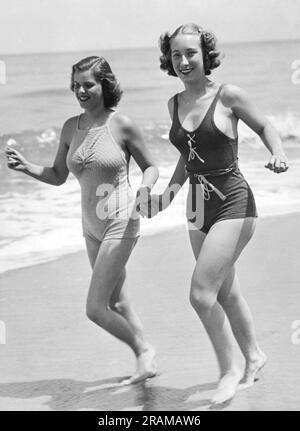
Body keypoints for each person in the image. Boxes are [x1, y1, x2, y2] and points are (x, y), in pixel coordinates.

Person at [140, 23, 289, 405]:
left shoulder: (228, 95)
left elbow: (265, 126)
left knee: (201, 294)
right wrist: (165, 199)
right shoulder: (173, 104)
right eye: (176, 54)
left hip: (233, 202)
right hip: (196, 207)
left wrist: (278, 152)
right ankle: (255, 355)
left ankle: (229, 372)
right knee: (225, 290)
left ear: (206, 55)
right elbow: (185, 160)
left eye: (190, 53)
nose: (184, 60)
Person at [5, 56, 159, 385]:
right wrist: (27, 166)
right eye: (76, 85)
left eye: (88, 83)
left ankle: (144, 349)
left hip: (121, 220)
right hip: (90, 227)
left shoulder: (122, 125)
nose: (81, 90)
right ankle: (145, 362)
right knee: (117, 300)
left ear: (105, 84)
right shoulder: (69, 127)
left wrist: (145, 190)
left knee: (95, 308)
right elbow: (59, 175)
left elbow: (151, 167)